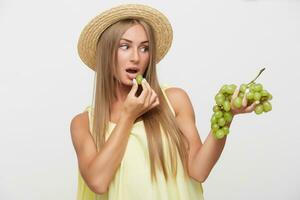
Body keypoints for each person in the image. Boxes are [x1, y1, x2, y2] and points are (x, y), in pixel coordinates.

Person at [70, 3, 257, 200]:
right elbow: (98, 182)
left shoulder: (174, 100)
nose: (136, 57)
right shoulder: (83, 123)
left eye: (144, 48)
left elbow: (199, 171)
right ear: (106, 54)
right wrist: (128, 116)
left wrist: (226, 117)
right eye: (125, 46)